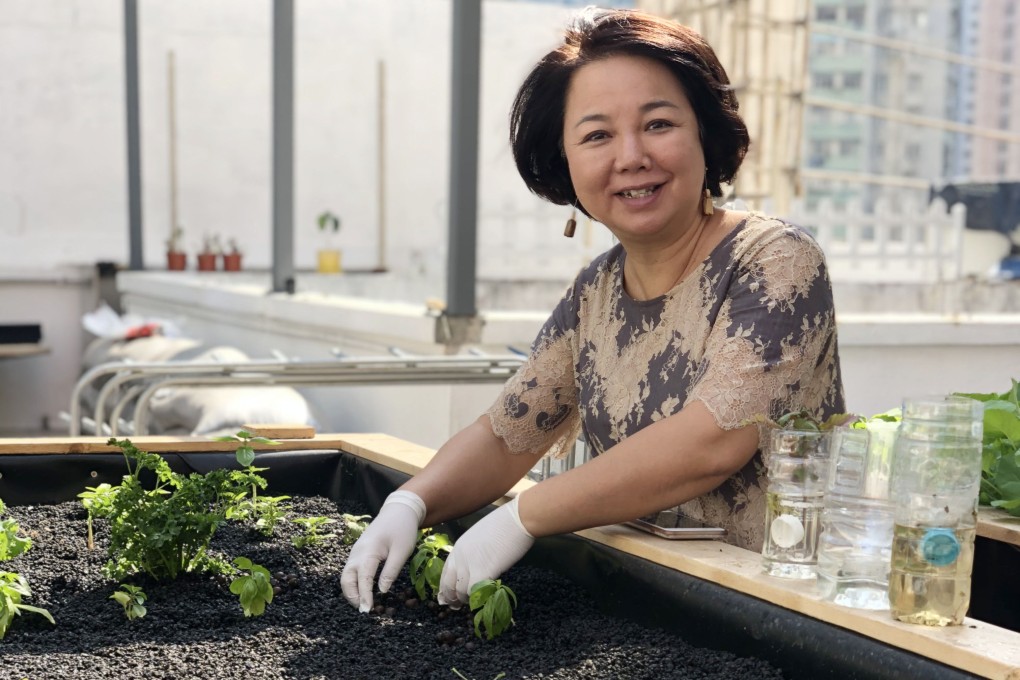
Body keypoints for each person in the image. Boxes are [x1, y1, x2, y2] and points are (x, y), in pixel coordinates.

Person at [341, 7, 844, 613]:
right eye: (597, 135)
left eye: (658, 124)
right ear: (566, 164)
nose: (631, 156)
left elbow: (712, 442)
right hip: (648, 603)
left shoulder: (775, 262)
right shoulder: (596, 293)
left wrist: (524, 516)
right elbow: (507, 436)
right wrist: (411, 503)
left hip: (777, 615)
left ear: (706, 136)